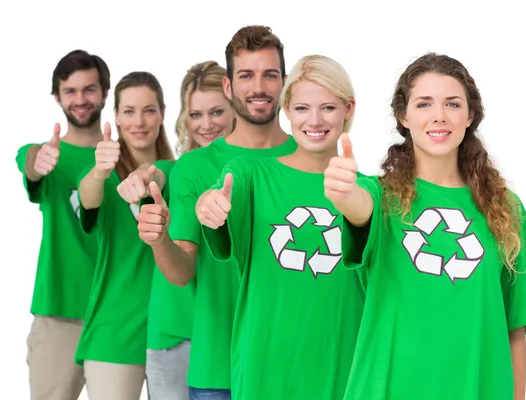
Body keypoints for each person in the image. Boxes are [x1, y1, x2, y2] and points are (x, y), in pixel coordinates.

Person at [323, 52, 526, 400]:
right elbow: (358, 208)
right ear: (404, 115)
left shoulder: (506, 209)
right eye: (424, 104)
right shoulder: (380, 196)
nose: (439, 116)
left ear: (470, 115)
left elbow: (514, 327)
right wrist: (345, 193)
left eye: (453, 104)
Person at [135, 25, 297, 400]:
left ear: (284, 84)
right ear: (229, 86)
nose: (259, 86)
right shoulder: (193, 168)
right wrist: (160, 241)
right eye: (246, 75)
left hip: (292, 364)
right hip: (218, 369)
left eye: (270, 75)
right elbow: (182, 271)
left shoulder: (311, 160)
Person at [195, 54, 365, 400]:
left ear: (348, 109)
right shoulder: (251, 175)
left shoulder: (367, 192)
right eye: (302, 108)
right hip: (265, 374)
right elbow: (220, 196)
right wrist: (209, 206)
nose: (314, 120)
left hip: (341, 374)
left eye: (328, 108)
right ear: (286, 109)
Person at [116, 60, 235, 400]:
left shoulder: (252, 169)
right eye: (196, 115)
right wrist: (140, 179)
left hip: (225, 331)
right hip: (174, 333)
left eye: (216, 112)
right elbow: (154, 172)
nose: (206, 124)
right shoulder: (177, 168)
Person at [15, 49, 110, 400]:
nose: (81, 99)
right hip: (59, 314)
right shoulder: (46, 155)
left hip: (118, 313)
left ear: (104, 92)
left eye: (89, 89)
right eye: (71, 91)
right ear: (57, 97)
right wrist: (37, 162)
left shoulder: (125, 156)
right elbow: (29, 162)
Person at [75, 71, 175, 400]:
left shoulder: (180, 173)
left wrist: (152, 177)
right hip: (113, 336)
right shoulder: (98, 177)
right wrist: (101, 171)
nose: (139, 121)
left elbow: (161, 173)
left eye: (149, 110)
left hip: (172, 332)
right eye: (129, 111)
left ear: (162, 112)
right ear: (115, 116)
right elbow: (87, 198)